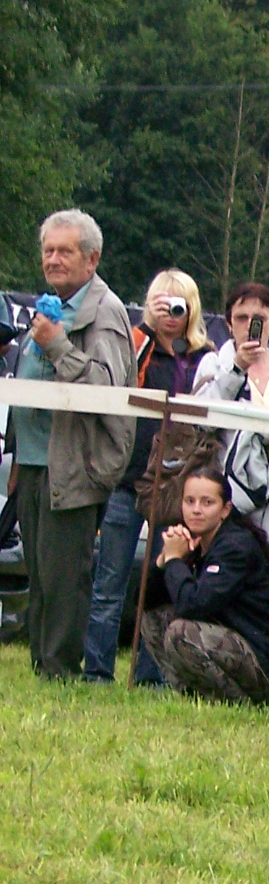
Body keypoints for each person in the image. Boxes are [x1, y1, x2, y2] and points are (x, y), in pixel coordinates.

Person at [4, 210, 136, 680]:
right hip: (36, 463)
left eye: (65, 251)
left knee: (64, 579)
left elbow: (105, 389)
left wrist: (58, 343)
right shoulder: (50, 304)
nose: (54, 260)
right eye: (48, 251)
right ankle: (43, 664)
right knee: (39, 575)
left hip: (75, 466)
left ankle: (59, 672)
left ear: (92, 258)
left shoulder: (104, 312)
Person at [84, 267, 211, 685]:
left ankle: (152, 676)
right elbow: (122, 378)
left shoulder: (202, 358)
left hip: (175, 486)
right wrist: (148, 328)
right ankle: (98, 671)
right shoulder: (138, 345)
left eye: (180, 304)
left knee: (160, 584)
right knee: (110, 582)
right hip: (128, 478)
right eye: (164, 302)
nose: (172, 312)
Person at [140, 462, 269, 707]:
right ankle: (193, 695)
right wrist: (163, 560)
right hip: (238, 647)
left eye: (207, 503)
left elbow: (193, 605)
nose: (196, 510)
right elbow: (143, 602)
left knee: (181, 632)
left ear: (225, 510)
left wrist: (176, 561)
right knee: (154, 618)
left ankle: (236, 704)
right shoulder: (194, 541)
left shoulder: (235, 546)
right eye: (189, 501)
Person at [200, 282, 269, 554]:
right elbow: (203, 422)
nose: (249, 325)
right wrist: (236, 368)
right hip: (226, 491)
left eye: (258, 319)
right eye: (241, 318)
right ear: (228, 323)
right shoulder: (213, 364)